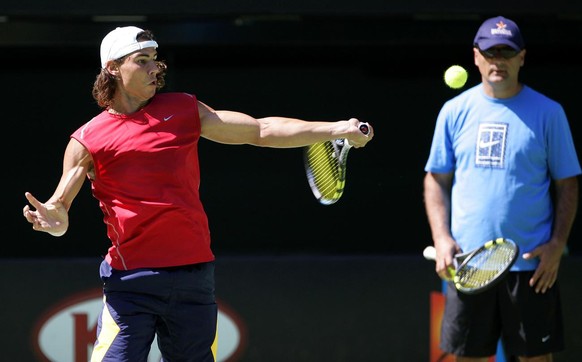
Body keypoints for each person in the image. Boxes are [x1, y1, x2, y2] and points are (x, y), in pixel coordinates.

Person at [22, 26, 373, 361]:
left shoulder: (184, 110)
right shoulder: (87, 139)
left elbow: (261, 129)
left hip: (194, 278)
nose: (153, 68)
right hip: (130, 284)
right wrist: (53, 220)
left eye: (154, 59)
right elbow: (59, 211)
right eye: (140, 60)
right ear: (113, 68)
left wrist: (335, 129)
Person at [423, 16, 580, 362]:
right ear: (476, 56)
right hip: (468, 264)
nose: (498, 60)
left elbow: (567, 183)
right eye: (491, 52)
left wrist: (557, 245)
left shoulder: (549, 113)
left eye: (506, 52)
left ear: (521, 57)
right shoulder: (453, 111)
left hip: (532, 267)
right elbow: (435, 179)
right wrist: (441, 237)